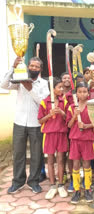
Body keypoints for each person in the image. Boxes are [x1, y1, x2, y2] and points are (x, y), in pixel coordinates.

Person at [1, 57, 50, 194]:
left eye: (36, 66)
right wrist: (13, 67)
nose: (33, 68)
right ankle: (18, 181)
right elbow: (3, 85)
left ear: (40, 69)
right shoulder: (20, 79)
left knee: (36, 154)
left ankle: (33, 181)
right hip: (19, 122)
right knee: (18, 154)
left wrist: (30, 89)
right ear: (28, 66)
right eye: (31, 66)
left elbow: (43, 102)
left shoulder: (44, 84)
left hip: (36, 123)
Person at [38, 78, 69, 199]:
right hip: (49, 134)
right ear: (52, 89)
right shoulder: (44, 102)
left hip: (61, 134)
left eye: (62, 87)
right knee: (50, 161)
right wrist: (49, 115)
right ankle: (52, 185)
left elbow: (69, 118)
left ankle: (60, 185)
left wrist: (61, 112)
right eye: (59, 87)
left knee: (61, 160)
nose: (61, 89)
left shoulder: (64, 102)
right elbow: (40, 120)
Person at [66, 82, 94, 204]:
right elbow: (68, 124)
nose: (82, 94)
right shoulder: (71, 107)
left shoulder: (92, 106)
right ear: (76, 93)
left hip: (88, 139)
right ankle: (76, 190)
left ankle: (88, 189)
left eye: (85, 91)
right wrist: (74, 116)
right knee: (76, 164)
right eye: (80, 91)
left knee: (87, 164)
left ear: (88, 93)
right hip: (75, 139)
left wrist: (86, 126)